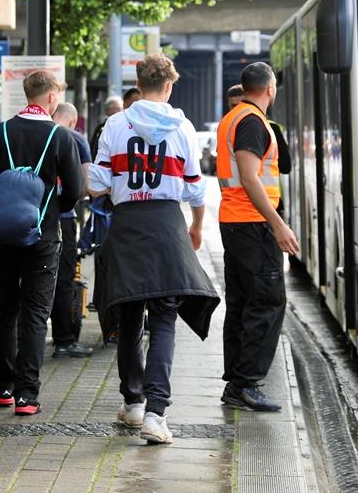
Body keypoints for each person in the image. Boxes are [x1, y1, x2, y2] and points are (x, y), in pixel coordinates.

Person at [89, 54, 220, 445]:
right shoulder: (181, 127)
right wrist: (196, 226)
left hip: (127, 225)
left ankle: (132, 403)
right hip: (166, 227)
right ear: (168, 85)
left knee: (129, 317)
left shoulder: (115, 123)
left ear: (139, 82)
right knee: (164, 320)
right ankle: (156, 414)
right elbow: (195, 188)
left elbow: (97, 181)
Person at [0, 71, 84, 415]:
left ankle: (2, 387)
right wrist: (51, 209)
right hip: (44, 235)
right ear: (52, 98)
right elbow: (76, 191)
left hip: (4, 236)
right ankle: (26, 396)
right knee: (36, 313)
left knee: (6, 309)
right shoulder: (60, 136)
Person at [216, 62, 299, 412]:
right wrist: (277, 223)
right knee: (266, 302)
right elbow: (250, 177)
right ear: (270, 88)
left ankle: (236, 383)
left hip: (236, 222)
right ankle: (246, 383)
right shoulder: (250, 121)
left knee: (242, 302)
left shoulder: (233, 118)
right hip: (251, 224)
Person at [49, 101, 93, 358]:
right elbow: (86, 184)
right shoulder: (76, 139)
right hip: (64, 216)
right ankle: (64, 339)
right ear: (73, 121)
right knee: (64, 278)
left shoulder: (37, 133)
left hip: (33, 217)